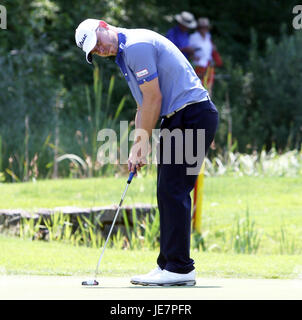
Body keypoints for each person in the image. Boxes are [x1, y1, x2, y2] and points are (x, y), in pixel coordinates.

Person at [75, 18, 219, 286]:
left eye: (98, 43)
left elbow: (154, 99)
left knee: (173, 190)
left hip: (192, 114)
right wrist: (136, 149)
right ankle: (169, 265)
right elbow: (143, 106)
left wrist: (143, 143)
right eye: (94, 52)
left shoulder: (136, 46)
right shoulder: (124, 55)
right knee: (167, 190)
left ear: (105, 26)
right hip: (178, 118)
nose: (100, 50)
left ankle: (179, 268)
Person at [189, 17, 223, 96]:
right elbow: (188, 52)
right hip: (197, 67)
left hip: (208, 67)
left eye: (206, 27)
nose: (204, 29)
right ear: (198, 28)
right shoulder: (193, 37)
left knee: (208, 90)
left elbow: (211, 51)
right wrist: (192, 56)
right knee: (197, 89)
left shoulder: (208, 37)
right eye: (202, 27)